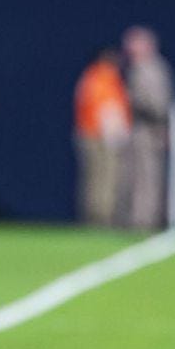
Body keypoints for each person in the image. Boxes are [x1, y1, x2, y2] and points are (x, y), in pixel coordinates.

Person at [123, 26, 173, 230]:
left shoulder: (152, 68)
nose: (129, 48)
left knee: (149, 177)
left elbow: (158, 104)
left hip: (150, 130)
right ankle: (139, 219)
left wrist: (163, 124)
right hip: (141, 129)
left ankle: (147, 220)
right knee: (137, 177)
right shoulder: (136, 67)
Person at [74, 49, 131, 226]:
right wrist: (115, 134)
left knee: (94, 179)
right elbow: (107, 108)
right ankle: (102, 217)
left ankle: (95, 216)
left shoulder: (90, 77)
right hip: (100, 137)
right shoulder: (103, 78)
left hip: (89, 134)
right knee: (105, 178)